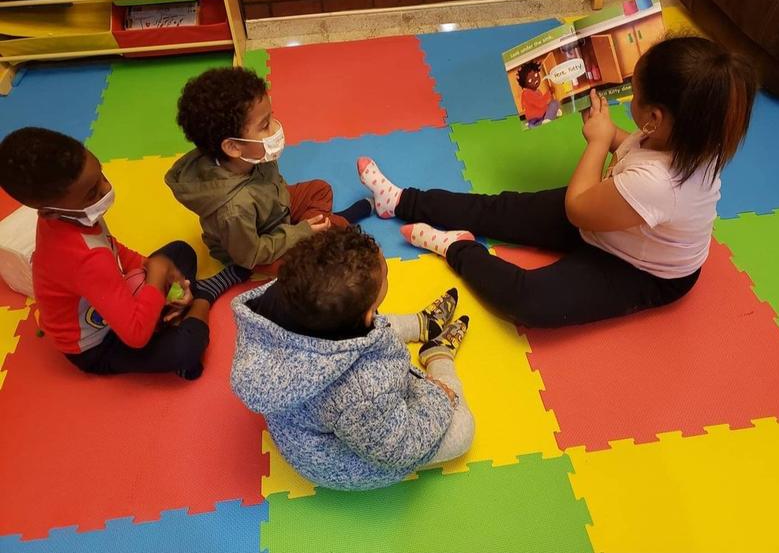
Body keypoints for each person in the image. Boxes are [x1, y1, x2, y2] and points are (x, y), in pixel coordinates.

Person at [355, 37, 757, 327]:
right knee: (500, 209)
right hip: (614, 214)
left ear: (654, 117)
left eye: (634, 96)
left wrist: (598, 141)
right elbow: (631, 152)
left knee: (526, 301)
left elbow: (578, 208)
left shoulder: (661, 183)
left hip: (637, 269)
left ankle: (456, 248)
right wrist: (612, 135)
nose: (628, 102)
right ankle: (400, 200)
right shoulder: (691, 136)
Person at [230, 226, 475, 490]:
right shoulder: (360, 391)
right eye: (387, 275)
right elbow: (400, 447)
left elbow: (369, 323)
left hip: (312, 415)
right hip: (349, 453)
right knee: (463, 431)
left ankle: (421, 325)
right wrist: (438, 398)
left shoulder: (290, 293)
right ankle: (438, 357)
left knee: (366, 317)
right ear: (367, 316)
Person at [0, 127, 248, 379]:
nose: (106, 189)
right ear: (49, 210)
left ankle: (173, 316)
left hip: (115, 294)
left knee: (180, 252)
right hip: (99, 345)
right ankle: (204, 296)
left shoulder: (68, 217)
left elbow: (112, 247)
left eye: (102, 176)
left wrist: (149, 265)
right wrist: (158, 274)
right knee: (185, 350)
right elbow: (136, 335)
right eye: (92, 194)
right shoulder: (83, 259)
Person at [165, 67, 371, 274]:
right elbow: (251, 254)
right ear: (233, 147)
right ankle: (331, 225)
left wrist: (299, 230)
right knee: (303, 262)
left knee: (320, 189)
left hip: (275, 208)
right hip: (254, 249)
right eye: (265, 126)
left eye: (271, 118)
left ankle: (322, 227)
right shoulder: (234, 210)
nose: (274, 129)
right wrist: (299, 233)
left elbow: (274, 186)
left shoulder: (249, 155)